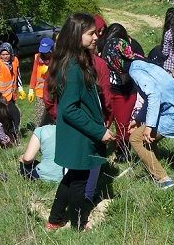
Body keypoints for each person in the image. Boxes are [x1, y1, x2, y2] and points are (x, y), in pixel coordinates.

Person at [45, 13, 115, 231]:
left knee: (72, 176)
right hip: (80, 135)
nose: (96, 37)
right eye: (91, 33)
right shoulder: (74, 68)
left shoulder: (76, 60)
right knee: (79, 181)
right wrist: (99, 131)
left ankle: (55, 219)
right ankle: (78, 224)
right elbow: (69, 109)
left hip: (78, 133)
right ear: (77, 35)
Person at [123, 48, 174, 189]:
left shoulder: (134, 71)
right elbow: (151, 98)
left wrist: (149, 126)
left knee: (135, 139)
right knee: (146, 138)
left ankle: (163, 180)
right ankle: (155, 167)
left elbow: (153, 95)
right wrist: (138, 119)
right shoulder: (146, 66)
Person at [102, 36, 144, 160]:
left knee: (123, 124)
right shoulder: (105, 59)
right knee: (104, 122)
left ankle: (122, 153)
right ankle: (99, 149)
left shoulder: (131, 60)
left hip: (125, 94)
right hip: (108, 93)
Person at [0, 42, 25, 132]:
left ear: (11, 53)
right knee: (15, 114)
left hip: (11, 94)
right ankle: (11, 134)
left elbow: (17, 75)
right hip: (1, 97)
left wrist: (20, 88)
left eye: (7, 54)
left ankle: (11, 133)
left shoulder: (15, 60)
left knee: (11, 116)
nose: (5, 56)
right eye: (3, 54)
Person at [28, 38, 54, 127]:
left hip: (52, 91)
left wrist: (49, 70)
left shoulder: (56, 59)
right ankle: (38, 132)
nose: (44, 53)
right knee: (39, 114)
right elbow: (34, 73)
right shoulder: (38, 57)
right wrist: (31, 89)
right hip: (40, 92)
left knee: (52, 113)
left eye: (46, 51)